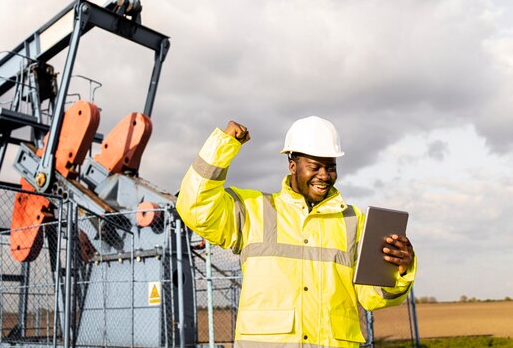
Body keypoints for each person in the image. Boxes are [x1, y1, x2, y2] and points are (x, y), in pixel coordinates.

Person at [176, 116, 416, 348]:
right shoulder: (253, 210)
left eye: (331, 167)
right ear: (292, 165)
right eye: (315, 167)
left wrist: (399, 271)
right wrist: (223, 146)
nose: (324, 175)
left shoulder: (355, 222)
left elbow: (372, 297)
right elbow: (195, 207)